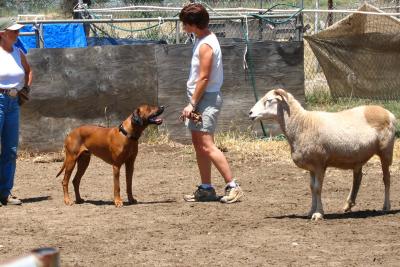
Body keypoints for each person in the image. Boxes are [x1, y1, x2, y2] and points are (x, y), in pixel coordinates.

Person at [179, 3, 244, 203]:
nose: (183, 27)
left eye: (185, 23)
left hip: (205, 99)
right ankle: (206, 188)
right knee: (199, 145)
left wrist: (192, 104)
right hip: (201, 98)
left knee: (207, 145)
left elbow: (204, 78)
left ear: (193, 24)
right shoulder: (201, 39)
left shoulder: (206, 44)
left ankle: (233, 186)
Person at [0, 18, 32, 206]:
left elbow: (29, 71)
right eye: (14, 31)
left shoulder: (18, 52)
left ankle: (5, 192)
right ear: (2, 33)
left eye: (18, 31)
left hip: (13, 102)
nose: (17, 34)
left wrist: (26, 89)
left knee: (11, 150)